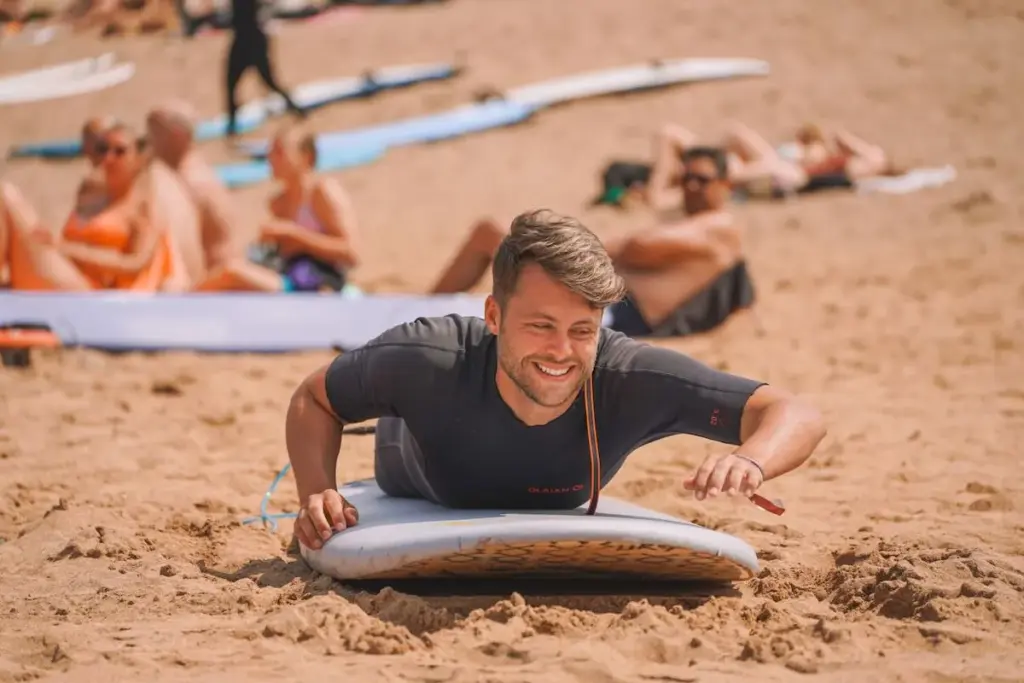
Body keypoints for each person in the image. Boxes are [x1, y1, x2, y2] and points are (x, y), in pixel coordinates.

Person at [284, 208, 827, 551]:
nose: (562, 352)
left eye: (581, 330)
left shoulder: (626, 376)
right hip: (412, 458)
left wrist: (750, 459)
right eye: (540, 326)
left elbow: (794, 413)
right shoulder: (429, 358)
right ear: (493, 317)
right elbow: (315, 396)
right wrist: (317, 491)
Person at [431, 147, 754, 338]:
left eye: (702, 180)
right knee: (496, 233)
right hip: (608, 300)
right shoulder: (694, 221)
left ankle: (421, 311)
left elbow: (639, 246)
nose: (692, 186)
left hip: (614, 309)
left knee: (494, 232)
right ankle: (423, 309)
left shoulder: (718, 225)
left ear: (725, 184)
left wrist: (599, 248)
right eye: (686, 178)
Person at [0, 123, 178, 291]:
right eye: (102, 150)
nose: (108, 158)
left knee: (6, 195)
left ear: (138, 159)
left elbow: (135, 264)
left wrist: (64, 248)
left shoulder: (144, 206)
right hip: (68, 272)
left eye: (119, 151)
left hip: (92, 292)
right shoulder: (92, 194)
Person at [193, 124, 360, 293]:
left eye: (279, 152)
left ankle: (181, 300)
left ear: (306, 157)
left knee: (232, 273)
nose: (271, 159)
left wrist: (294, 235)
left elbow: (351, 253)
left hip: (320, 281)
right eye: (270, 152)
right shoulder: (277, 203)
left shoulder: (322, 192)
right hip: (290, 276)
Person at [145, 101, 240, 281]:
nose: (149, 142)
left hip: (215, 288)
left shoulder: (191, 181)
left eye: (154, 133)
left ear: (177, 136)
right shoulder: (185, 173)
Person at [224, 0, 304, 138]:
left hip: (251, 39)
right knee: (232, 83)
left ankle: (295, 107)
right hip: (245, 39)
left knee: (267, 81)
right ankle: (232, 123)